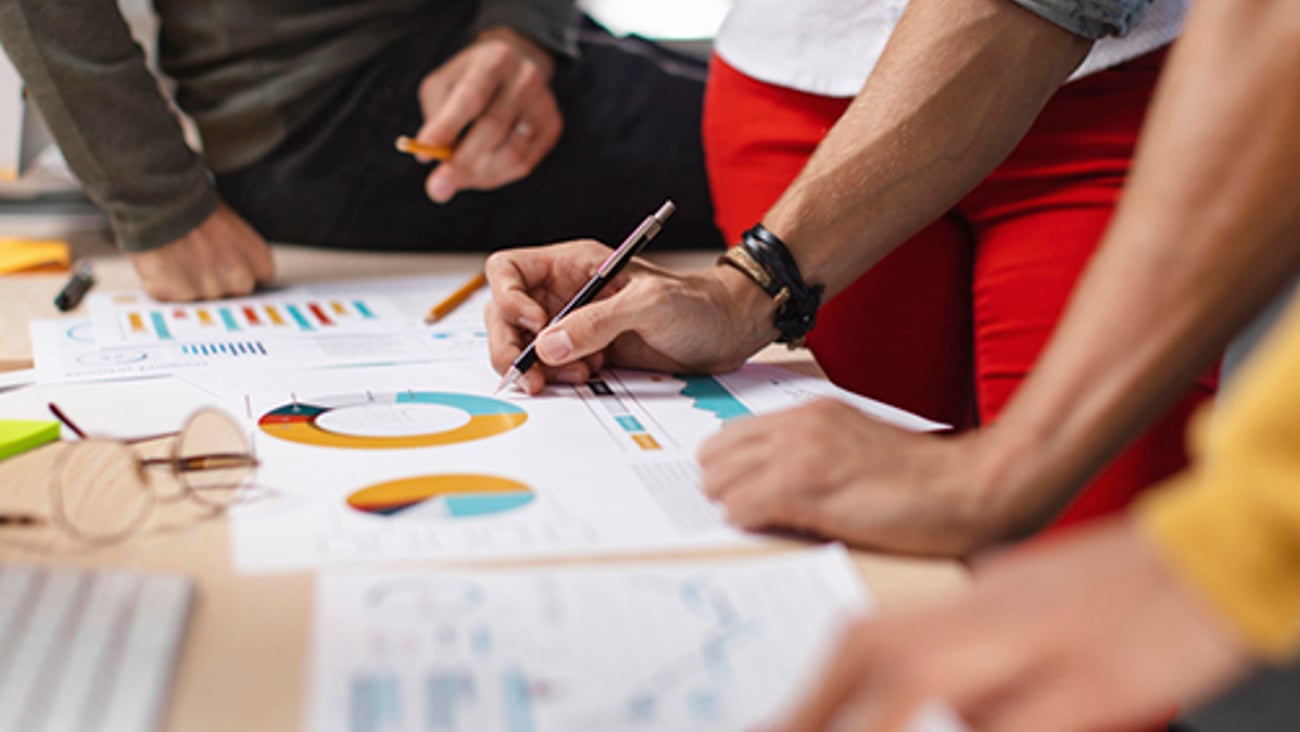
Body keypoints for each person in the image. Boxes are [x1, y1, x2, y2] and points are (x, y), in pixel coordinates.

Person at [0, 0, 722, 301]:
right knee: (782, 143)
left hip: (465, 48)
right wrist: (158, 200)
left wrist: (522, 25)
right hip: (340, 103)